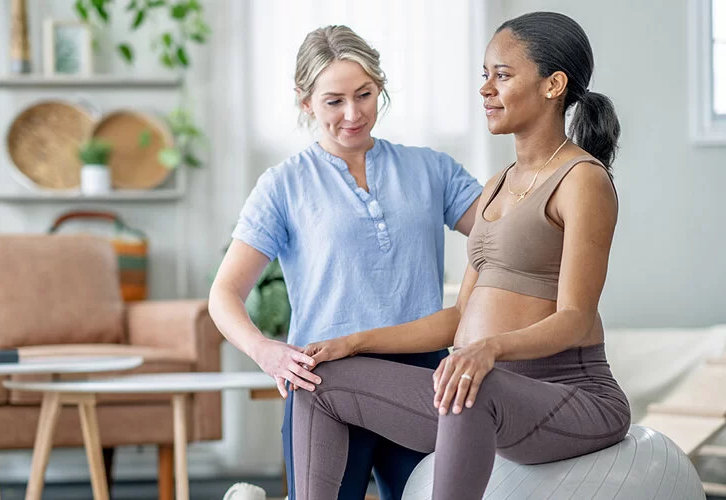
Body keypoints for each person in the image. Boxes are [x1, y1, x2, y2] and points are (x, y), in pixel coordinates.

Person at [292, 12, 630, 500]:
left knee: (474, 386)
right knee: (317, 381)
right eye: (484, 75)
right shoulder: (496, 185)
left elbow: (576, 320)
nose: (486, 89)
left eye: (503, 74)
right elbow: (457, 320)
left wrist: (489, 349)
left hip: (569, 396)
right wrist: (353, 341)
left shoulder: (582, 180)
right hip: (478, 395)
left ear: (554, 84)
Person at [208, 25, 483, 500]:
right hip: (325, 383)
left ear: (381, 88)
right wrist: (265, 350)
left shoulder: (432, 170)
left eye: (365, 94)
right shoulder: (282, 186)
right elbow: (223, 294)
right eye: (334, 101)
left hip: (422, 379)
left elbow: (504, 237)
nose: (354, 114)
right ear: (305, 102)